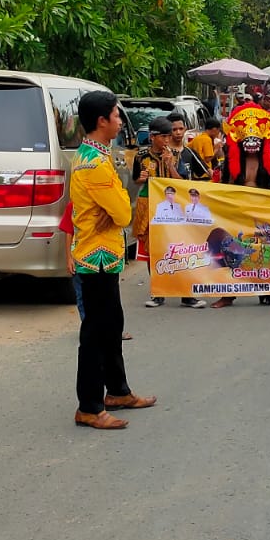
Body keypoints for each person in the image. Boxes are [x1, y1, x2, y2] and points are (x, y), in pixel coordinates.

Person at [70, 92, 153, 428]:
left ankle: (117, 390)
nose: (121, 120)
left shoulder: (98, 156)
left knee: (111, 325)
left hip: (105, 255)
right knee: (95, 330)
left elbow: (118, 209)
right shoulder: (93, 163)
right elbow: (122, 211)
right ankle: (88, 405)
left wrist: (115, 207)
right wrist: (116, 207)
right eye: (117, 115)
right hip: (95, 256)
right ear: (102, 121)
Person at [212, 100, 270, 309]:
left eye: (256, 138)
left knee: (267, 252)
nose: (251, 142)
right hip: (237, 212)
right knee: (230, 251)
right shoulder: (228, 164)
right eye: (248, 138)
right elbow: (221, 189)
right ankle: (227, 294)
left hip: (263, 213)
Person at [135, 117, 202, 310]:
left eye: (168, 135)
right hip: (149, 206)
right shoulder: (141, 156)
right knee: (154, 250)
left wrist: (170, 165)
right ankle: (158, 292)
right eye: (163, 136)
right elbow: (136, 181)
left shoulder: (176, 155)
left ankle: (186, 294)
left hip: (173, 209)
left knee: (179, 249)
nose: (167, 139)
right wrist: (141, 179)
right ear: (152, 137)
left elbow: (181, 182)